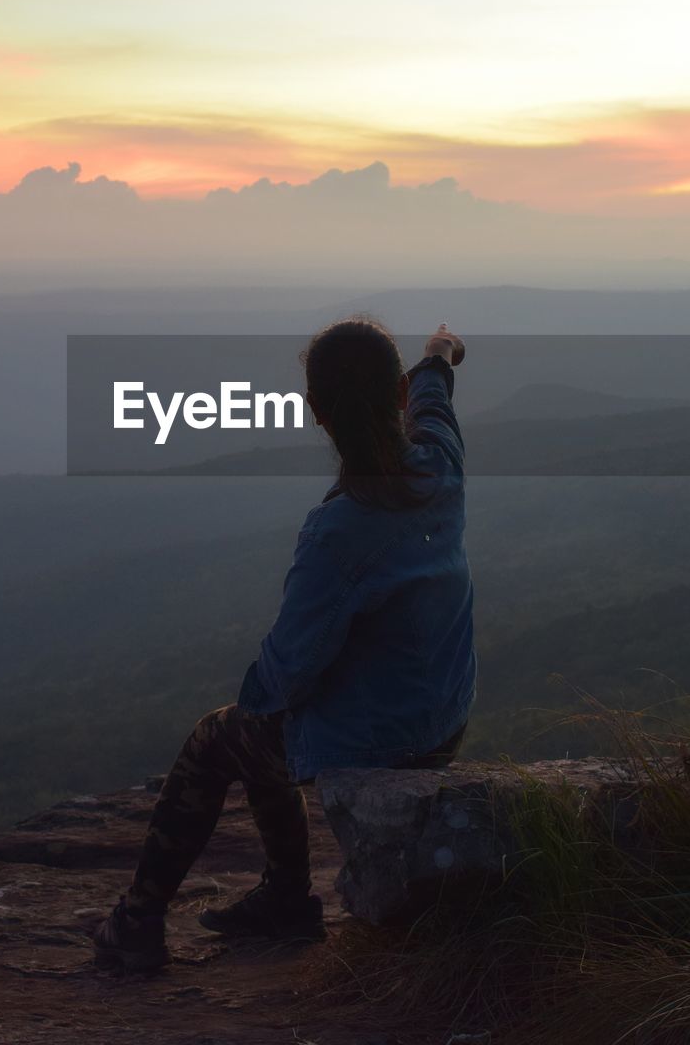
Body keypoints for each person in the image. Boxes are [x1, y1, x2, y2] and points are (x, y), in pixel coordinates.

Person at [94, 318, 477, 971]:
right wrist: (438, 356)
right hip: (442, 719)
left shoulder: (337, 531)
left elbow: (292, 667)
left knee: (223, 737)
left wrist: (251, 704)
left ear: (314, 411)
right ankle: (279, 897)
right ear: (396, 399)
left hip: (378, 741)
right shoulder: (438, 466)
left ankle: (141, 922)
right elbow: (433, 403)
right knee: (264, 727)